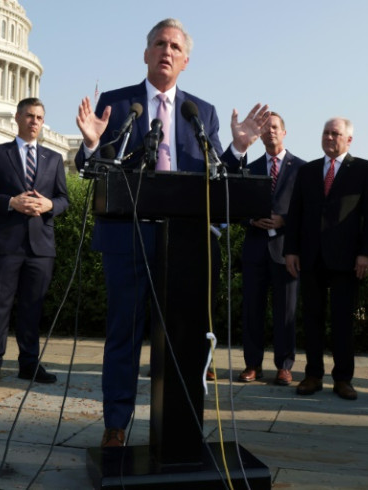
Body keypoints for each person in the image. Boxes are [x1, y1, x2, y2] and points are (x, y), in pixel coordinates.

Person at [74, 18, 269, 447]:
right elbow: (95, 169)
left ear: (185, 60)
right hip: (128, 239)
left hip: (185, 245)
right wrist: (90, 146)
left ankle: (181, 429)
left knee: (184, 337)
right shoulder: (118, 103)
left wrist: (237, 148)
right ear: (146, 54)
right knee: (124, 333)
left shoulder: (200, 112)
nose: (166, 51)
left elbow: (216, 179)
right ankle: (116, 425)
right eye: (159, 44)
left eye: (174, 46)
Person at [0, 98, 70, 388]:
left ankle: (29, 364)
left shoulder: (54, 159)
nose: (34, 122)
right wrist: (11, 202)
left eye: (39, 117)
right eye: (29, 116)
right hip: (4, 244)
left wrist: (48, 205)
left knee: (33, 308)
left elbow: (65, 200)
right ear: (17, 117)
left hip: (40, 247)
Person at [284, 117, 368, 400]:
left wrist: (366, 253)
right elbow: (296, 212)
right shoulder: (307, 171)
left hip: (347, 259)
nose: (329, 138)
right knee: (311, 318)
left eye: (335, 134)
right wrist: (291, 250)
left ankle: (343, 379)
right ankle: (313, 375)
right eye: (326, 133)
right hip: (310, 258)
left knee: (343, 321)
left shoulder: (364, 169)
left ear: (348, 139)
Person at [239, 112, 306, 386]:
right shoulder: (250, 168)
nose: (270, 132)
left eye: (275, 127)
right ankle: (252, 365)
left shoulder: (302, 169)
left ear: (284, 132)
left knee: (286, 312)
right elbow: (237, 207)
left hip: (286, 250)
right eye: (265, 129)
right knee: (252, 309)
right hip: (255, 249)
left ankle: (284, 366)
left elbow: (308, 211)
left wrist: (285, 220)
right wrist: (251, 219)